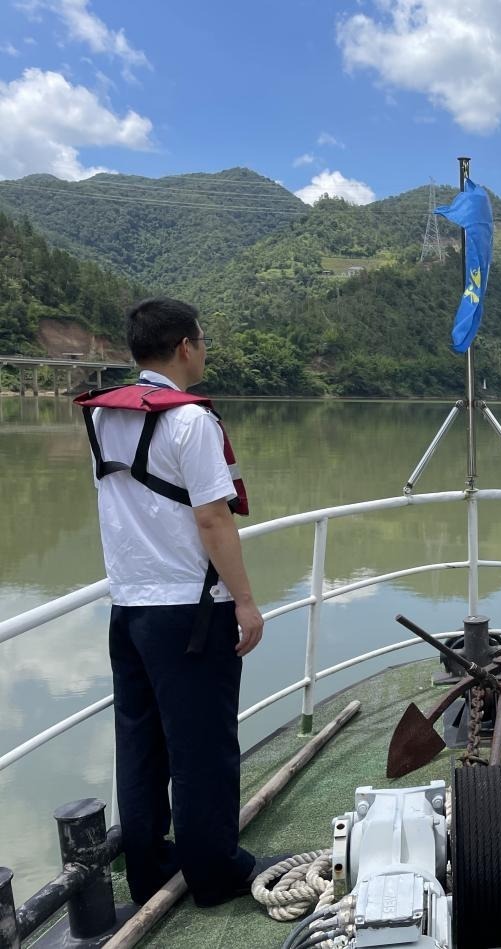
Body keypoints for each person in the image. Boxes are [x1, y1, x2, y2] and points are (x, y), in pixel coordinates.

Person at [76, 297, 266, 907]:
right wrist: (245, 602)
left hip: (129, 608)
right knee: (202, 748)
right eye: (202, 340)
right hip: (190, 610)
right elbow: (213, 518)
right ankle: (215, 874)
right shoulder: (190, 421)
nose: (204, 350)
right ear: (185, 346)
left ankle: (151, 872)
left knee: (141, 746)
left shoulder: (103, 417)